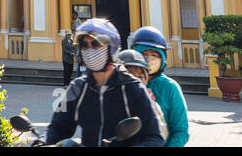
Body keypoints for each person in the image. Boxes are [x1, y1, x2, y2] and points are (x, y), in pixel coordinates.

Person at [46, 18, 164, 147]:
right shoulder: (77, 87)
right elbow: (58, 127)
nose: (90, 50)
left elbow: (154, 137)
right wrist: (43, 142)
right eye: (85, 45)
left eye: (95, 44)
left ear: (112, 47)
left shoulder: (132, 87)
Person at [128, 26, 189, 147]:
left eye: (154, 55)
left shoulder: (170, 87)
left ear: (163, 58)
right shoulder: (125, 83)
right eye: (143, 54)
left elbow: (180, 131)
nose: (148, 59)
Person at [116, 48, 169, 143]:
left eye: (140, 77)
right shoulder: (108, 101)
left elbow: (161, 134)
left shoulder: (151, 105)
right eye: (129, 75)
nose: (136, 81)